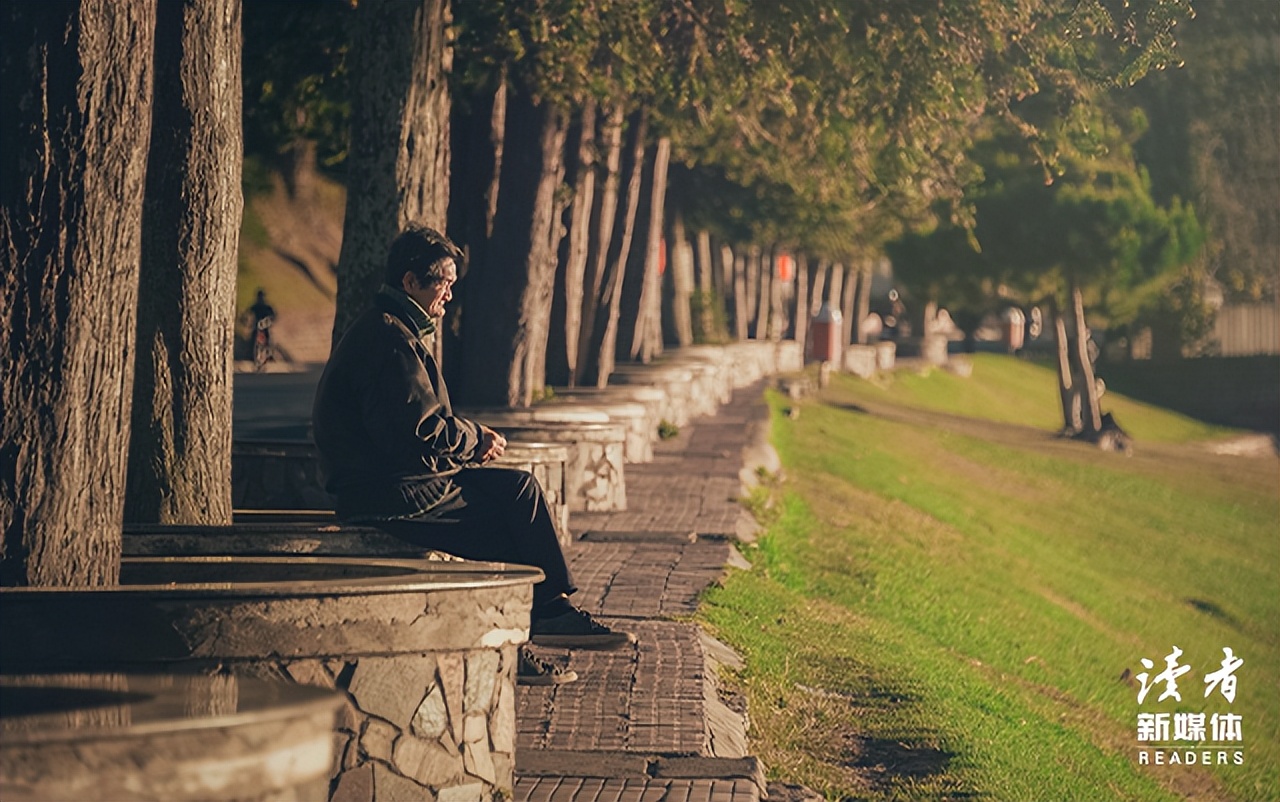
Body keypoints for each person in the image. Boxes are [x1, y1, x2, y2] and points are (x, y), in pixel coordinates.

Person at [312, 223, 634, 685]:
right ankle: (532, 629)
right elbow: (419, 432)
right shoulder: (390, 341)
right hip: (391, 496)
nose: (448, 295)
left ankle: (548, 610)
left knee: (518, 488)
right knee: (505, 525)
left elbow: (415, 427)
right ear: (410, 282)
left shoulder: (392, 330)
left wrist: (468, 441)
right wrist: (474, 440)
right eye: (443, 283)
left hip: (402, 482)